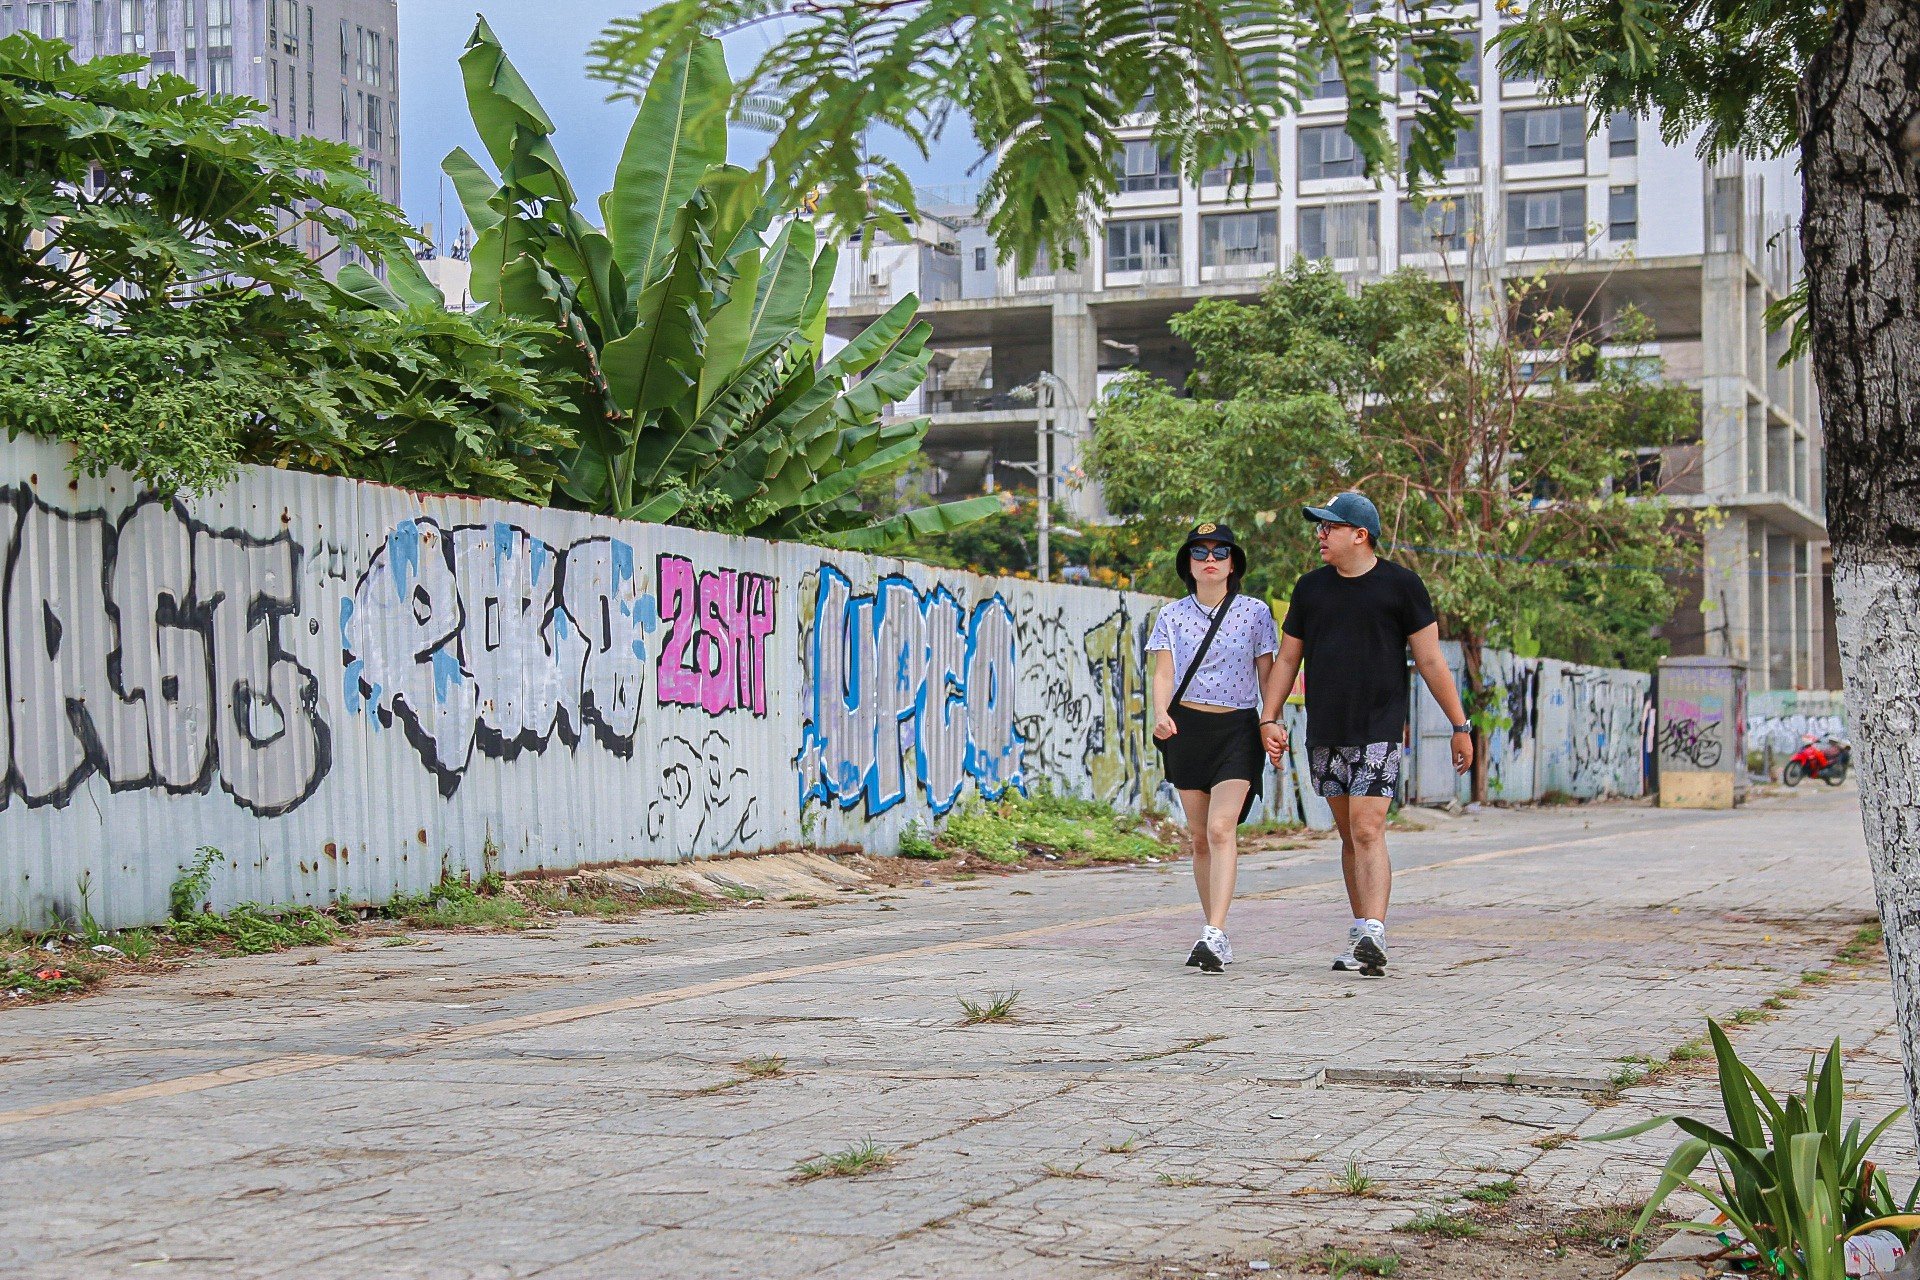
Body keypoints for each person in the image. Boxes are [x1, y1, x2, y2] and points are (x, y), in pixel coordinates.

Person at [1260, 491, 1473, 978]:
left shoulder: (1402, 586)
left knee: (1367, 828)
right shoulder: (1310, 589)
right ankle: (1360, 932)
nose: (1320, 535)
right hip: (1325, 732)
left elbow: (1431, 660)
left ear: (1360, 535)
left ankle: (1375, 929)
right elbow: (1289, 658)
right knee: (1348, 836)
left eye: (1329, 528)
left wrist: (1459, 726)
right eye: (1319, 527)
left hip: (1378, 728)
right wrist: (1269, 718)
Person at [1148, 521, 1278, 974]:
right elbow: (1164, 672)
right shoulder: (1171, 615)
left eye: (1219, 552)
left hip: (1237, 731)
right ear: (1187, 563)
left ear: (1232, 564)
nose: (1209, 559)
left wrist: (1270, 720)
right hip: (1186, 730)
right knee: (1199, 837)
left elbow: (1268, 675)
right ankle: (1212, 930)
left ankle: (1215, 933)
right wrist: (1160, 712)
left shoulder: (1256, 612)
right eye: (1199, 552)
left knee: (1223, 828)